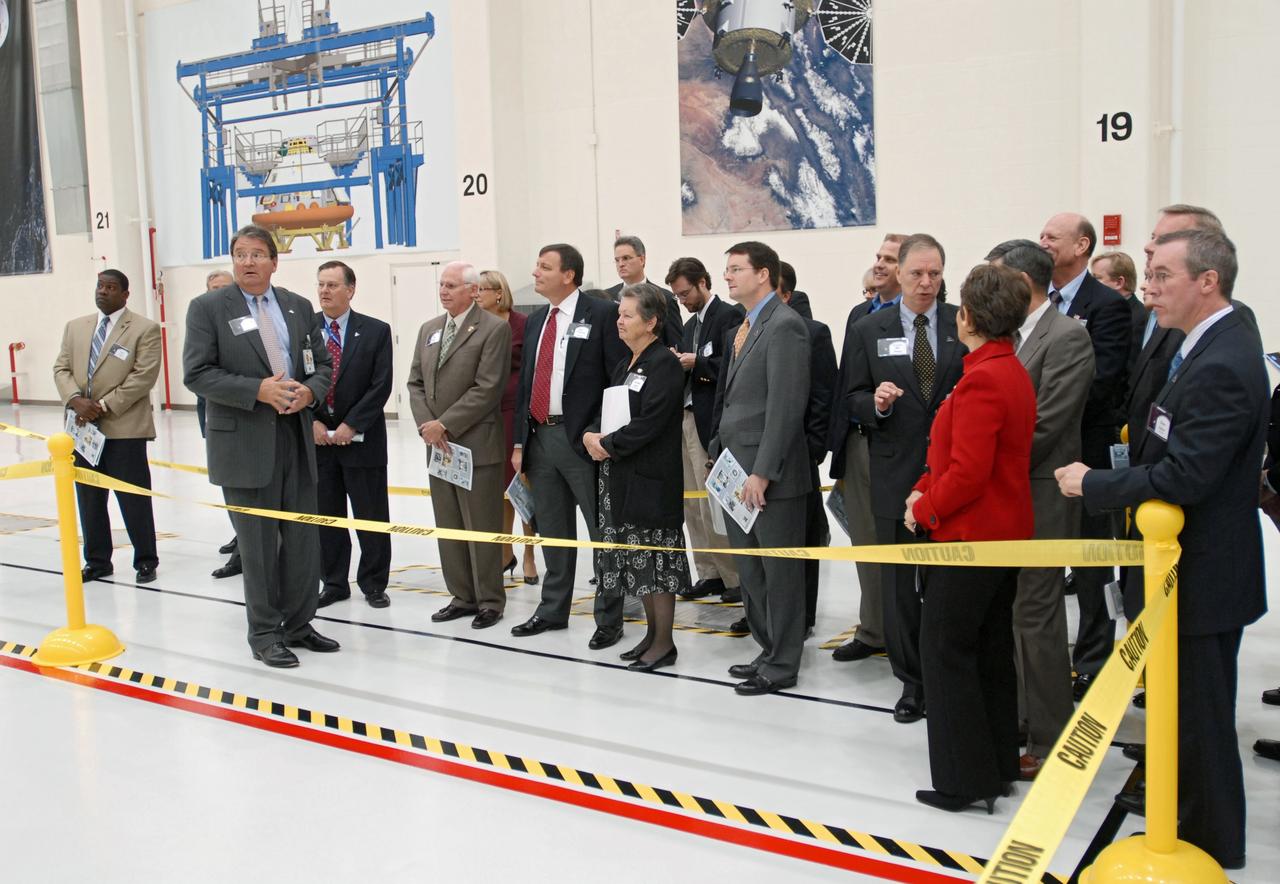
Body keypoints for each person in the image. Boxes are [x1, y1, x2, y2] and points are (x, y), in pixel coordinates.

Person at [1056, 228, 1266, 870]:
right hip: (1184, 569)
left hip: (1203, 573)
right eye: (1146, 275)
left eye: (1162, 276)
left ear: (1208, 281)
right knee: (1186, 714)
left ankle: (1211, 847)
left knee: (1202, 718)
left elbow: (1187, 476)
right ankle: (1193, 828)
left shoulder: (1225, 361)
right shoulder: (1195, 344)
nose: (1147, 289)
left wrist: (1095, 483)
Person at [907, 263, 1036, 814]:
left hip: (970, 537)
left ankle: (964, 779)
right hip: (998, 535)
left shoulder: (985, 377)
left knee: (947, 652)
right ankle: (998, 762)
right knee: (987, 651)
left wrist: (925, 510)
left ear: (968, 316)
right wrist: (923, 486)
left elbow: (969, 472)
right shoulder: (1005, 367)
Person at [183, 224, 338, 668]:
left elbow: (321, 364)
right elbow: (197, 374)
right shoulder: (209, 308)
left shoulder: (297, 306)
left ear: (274, 260)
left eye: (256, 254)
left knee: (303, 539)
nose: (247, 262)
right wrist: (257, 391)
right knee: (259, 547)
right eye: (239, 254)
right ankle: (265, 633)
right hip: (246, 444)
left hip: (295, 437)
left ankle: (300, 623)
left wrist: (311, 392)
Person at [842, 233, 964, 721]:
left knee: (948, 583)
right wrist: (875, 404)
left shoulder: (963, 322)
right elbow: (849, 398)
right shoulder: (871, 329)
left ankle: (946, 673)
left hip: (953, 474)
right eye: (916, 273)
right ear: (899, 273)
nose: (926, 283)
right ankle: (911, 680)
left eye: (935, 273)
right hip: (894, 473)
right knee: (899, 589)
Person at [988, 239, 1094, 780]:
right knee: (1013, 614)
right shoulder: (1008, 339)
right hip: (1008, 496)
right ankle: (1022, 720)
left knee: (1038, 615)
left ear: (1024, 283)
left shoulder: (1067, 338)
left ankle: (1052, 737)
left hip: (1043, 494)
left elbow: (1047, 424)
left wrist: (982, 455)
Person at [510, 244, 628, 648]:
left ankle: (609, 616)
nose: (536, 273)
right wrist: (519, 442)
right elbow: (526, 384)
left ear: (569, 275)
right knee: (554, 532)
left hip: (584, 441)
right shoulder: (536, 320)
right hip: (540, 438)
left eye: (544, 267)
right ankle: (552, 609)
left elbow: (618, 377)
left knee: (602, 531)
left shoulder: (601, 314)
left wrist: (600, 432)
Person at [709, 241, 811, 695]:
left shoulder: (785, 326)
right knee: (751, 572)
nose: (728, 276)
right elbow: (734, 398)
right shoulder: (745, 324)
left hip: (770, 477)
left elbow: (786, 407)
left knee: (780, 573)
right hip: (737, 468)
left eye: (736, 269)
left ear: (764, 274)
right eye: (726, 269)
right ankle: (768, 648)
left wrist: (764, 470)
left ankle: (784, 661)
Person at [1039, 212, 1131, 700]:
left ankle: (1093, 658)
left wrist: (1046, 405)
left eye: (1053, 237)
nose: (1044, 243)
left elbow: (1105, 377)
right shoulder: (1037, 302)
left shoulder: (1106, 305)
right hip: (1041, 453)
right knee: (1048, 559)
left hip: (1086, 451)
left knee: (1092, 564)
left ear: (1082, 245)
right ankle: (1047, 656)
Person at [582, 283, 690, 670]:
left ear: (652, 321)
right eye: (619, 315)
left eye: (627, 316)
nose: (620, 322)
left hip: (650, 480)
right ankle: (651, 635)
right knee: (638, 563)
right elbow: (606, 406)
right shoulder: (626, 362)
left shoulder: (663, 364)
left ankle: (664, 642)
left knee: (656, 564)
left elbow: (650, 423)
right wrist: (591, 434)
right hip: (621, 476)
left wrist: (608, 443)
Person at [407, 261, 512, 629]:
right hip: (437, 446)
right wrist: (427, 426)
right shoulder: (429, 330)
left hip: (474, 446)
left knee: (481, 525)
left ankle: (490, 600)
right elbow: (415, 383)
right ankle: (462, 595)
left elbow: (487, 388)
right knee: (449, 524)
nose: (444, 291)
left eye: (452, 285)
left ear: (473, 291)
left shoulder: (493, 329)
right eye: (441, 284)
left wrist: (445, 424)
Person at [52, 269, 163, 584]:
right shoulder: (76, 327)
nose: (103, 292)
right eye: (100, 286)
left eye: (110, 287)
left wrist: (102, 406)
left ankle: (145, 560)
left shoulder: (144, 329)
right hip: (82, 430)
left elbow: (143, 376)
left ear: (125, 294)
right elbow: (61, 368)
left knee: (133, 497)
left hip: (123, 427)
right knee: (89, 498)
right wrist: (75, 400)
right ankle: (98, 561)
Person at [829, 234, 905, 662]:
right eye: (878, 257)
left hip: (901, 446)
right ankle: (873, 628)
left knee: (899, 544)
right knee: (864, 541)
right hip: (860, 441)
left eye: (890, 260)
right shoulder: (861, 314)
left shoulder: (924, 321)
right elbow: (848, 384)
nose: (879, 265)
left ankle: (904, 633)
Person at [311, 261, 393, 610]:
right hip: (318, 442)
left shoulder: (375, 331)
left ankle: (374, 583)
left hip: (362, 442)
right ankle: (333, 581)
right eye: (321, 285)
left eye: (332, 285)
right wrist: (310, 422)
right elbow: (296, 380)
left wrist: (353, 424)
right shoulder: (305, 330)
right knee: (326, 516)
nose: (325, 291)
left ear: (351, 289)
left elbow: (381, 384)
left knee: (370, 515)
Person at [665, 257, 744, 603]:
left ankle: (734, 577)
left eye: (685, 293)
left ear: (702, 282)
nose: (683, 300)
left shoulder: (727, 316)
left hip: (707, 417)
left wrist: (697, 363)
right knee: (692, 503)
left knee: (712, 502)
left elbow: (731, 366)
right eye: (678, 297)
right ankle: (708, 571)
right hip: (684, 416)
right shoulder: (689, 323)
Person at [779, 261, 836, 634]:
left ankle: (803, 617)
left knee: (803, 538)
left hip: (799, 455)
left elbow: (822, 396)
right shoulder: (743, 331)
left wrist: (813, 449)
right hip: (758, 455)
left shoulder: (813, 333)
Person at [476, 268, 539, 586]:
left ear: (498, 292)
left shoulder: (522, 325)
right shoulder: (477, 326)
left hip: (515, 411)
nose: (476, 295)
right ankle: (504, 552)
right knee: (498, 490)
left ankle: (529, 554)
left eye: (482, 289)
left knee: (520, 486)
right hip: (488, 415)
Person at [198, 269, 244, 580]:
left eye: (225, 288)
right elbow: (199, 375)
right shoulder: (203, 324)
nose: (219, 294)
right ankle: (240, 538)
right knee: (233, 492)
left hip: (251, 420)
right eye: (213, 289)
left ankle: (245, 550)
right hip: (219, 422)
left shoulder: (247, 326)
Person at [606, 235, 682, 348]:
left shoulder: (664, 298)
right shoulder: (607, 297)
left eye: (626, 258)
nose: (621, 264)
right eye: (617, 260)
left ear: (642, 259)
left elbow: (675, 344)